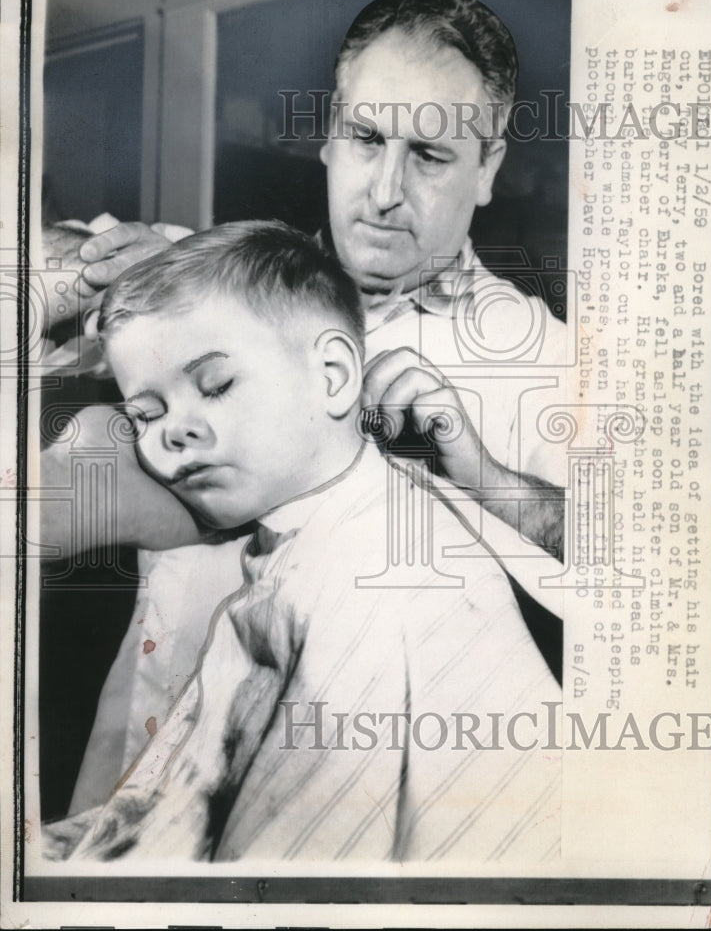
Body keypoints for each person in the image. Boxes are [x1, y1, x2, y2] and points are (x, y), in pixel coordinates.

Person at [44, 0, 571, 814]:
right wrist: (104, 267)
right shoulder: (206, 280)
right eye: (365, 138)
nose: (386, 190)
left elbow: (656, 568)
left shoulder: (539, 355)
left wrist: (483, 474)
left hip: (330, 808)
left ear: (490, 168)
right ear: (330, 135)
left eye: (429, 156)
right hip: (131, 778)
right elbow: (32, 278)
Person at [43, 220, 561, 864]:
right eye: (147, 415)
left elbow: (294, 865)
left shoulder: (365, 579)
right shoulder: (311, 518)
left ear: (336, 375)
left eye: (217, 386)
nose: (174, 433)